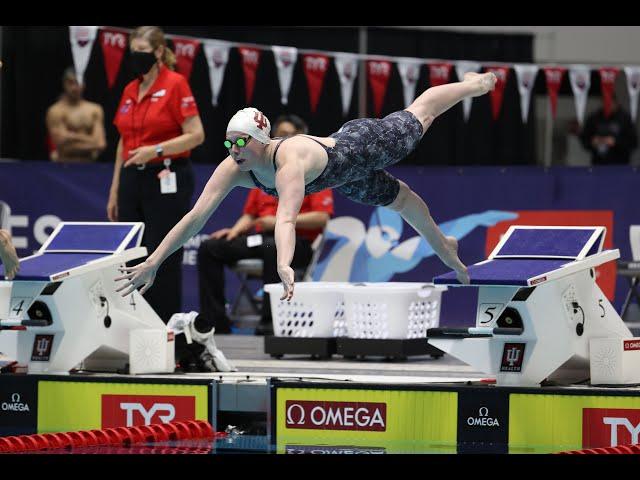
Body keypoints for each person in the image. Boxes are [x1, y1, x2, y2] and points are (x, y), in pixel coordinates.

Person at [116, 71, 497, 306]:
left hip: (360, 146)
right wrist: (155, 261)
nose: (233, 151)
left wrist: (283, 263)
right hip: (346, 178)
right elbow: (196, 217)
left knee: (420, 114)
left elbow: (286, 219)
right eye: (228, 143)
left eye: (240, 143)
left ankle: (471, 85)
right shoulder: (235, 166)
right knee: (403, 201)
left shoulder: (289, 160)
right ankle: (445, 247)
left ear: (260, 139)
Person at [107, 26, 208, 370]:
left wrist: (156, 149)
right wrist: (115, 187)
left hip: (168, 175)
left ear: (159, 52)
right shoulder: (130, 89)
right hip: (133, 180)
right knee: (128, 256)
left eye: (142, 50)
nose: (136, 56)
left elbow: (196, 135)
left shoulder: (176, 84)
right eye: (132, 50)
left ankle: (165, 340)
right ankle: (130, 336)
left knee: (161, 255)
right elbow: (123, 141)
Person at [197, 114, 332, 336]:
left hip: (296, 243)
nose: (285, 140)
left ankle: (270, 323)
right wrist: (234, 232)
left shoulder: (311, 168)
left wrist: (279, 221)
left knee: (272, 247)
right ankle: (215, 322)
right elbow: (250, 215)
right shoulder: (259, 170)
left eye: (290, 135)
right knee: (210, 247)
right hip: (260, 239)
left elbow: (322, 217)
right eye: (281, 134)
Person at [45, 68, 107, 163]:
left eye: (78, 83)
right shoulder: (56, 111)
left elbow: (101, 144)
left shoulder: (94, 110)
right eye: (70, 83)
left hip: (90, 165)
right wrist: (90, 140)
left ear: (84, 84)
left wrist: (71, 136)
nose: (74, 87)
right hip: (63, 164)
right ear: (64, 84)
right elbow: (62, 146)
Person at [580, 94, 638, 165]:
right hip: (598, 163)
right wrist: (593, 141)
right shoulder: (594, 118)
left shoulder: (625, 119)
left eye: (610, 103)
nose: (607, 106)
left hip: (620, 164)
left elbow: (633, 143)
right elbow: (585, 138)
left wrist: (615, 142)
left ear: (616, 103)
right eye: (605, 102)